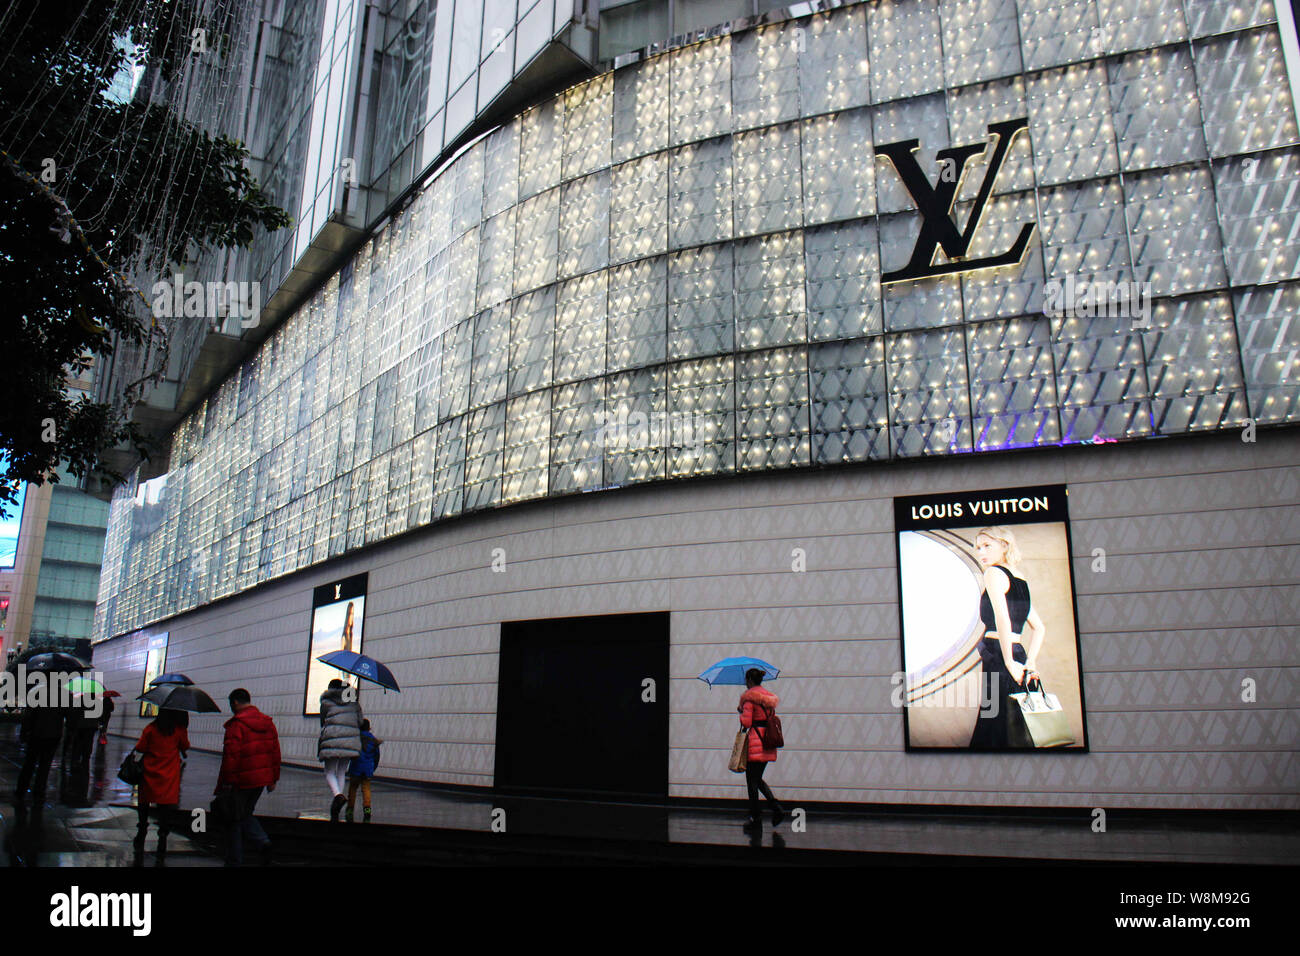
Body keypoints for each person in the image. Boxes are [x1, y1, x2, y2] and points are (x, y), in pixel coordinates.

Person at [968, 526, 1047, 750]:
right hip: (1018, 652)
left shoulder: (993, 573)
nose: (981, 552)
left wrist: (1009, 661)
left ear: (1004, 545)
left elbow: (1003, 619)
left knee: (998, 720)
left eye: (987, 546)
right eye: (978, 547)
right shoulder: (1020, 579)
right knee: (1017, 720)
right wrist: (1029, 662)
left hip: (1000, 653)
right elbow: (1039, 628)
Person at [216, 688, 280, 866]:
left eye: (231, 704)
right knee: (245, 814)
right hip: (260, 780)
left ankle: (236, 859)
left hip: (240, 780)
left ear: (235, 702)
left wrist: (226, 782)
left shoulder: (237, 725)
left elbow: (231, 756)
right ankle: (262, 842)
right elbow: (275, 751)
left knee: (234, 819)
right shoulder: (267, 723)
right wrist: (273, 778)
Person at [132, 709, 190, 857]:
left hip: (150, 771)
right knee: (165, 806)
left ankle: (142, 830)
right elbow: (185, 746)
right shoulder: (178, 730)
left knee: (144, 802)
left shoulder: (151, 729)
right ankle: (163, 836)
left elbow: (140, 747)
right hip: (169, 774)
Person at [738, 668, 783, 832]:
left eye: (746, 679)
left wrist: (741, 711)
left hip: (755, 743)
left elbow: (747, 723)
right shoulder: (768, 699)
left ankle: (755, 817)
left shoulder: (749, 699)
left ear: (750, 679)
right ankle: (774, 806)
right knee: (756, 778)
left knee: (752, 781)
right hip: (767, 743)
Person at [318, 678, 363, 822]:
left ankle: (338, 795)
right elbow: (360, 722)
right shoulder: (354, 704)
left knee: (329, 771)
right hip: (350, 740)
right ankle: (338, 797)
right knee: (341, 771)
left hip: (332, 738)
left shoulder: (326, 702)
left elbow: (323, 720)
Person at [14, 691, 64, 808]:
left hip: (37, 734)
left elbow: (29, 716)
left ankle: (21, 790)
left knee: (29, 764)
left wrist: (24, 732)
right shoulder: (62, 698)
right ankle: (39, 792)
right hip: (53, 735)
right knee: (45, 766)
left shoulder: (37, 695)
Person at [345, 719, 382, 822]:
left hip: (355, 768)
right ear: (369, 727)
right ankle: (367, 809)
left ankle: (350, 809)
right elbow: (376, 756)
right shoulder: (373, 740)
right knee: (366, 789)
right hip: (367, 769)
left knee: (353, 788)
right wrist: (372, 768)